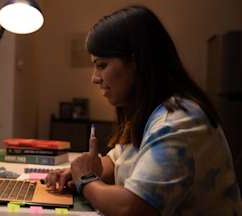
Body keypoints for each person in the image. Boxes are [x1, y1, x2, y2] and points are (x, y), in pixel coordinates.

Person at [45, 5, 242, 216]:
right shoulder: (149, 111)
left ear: (137, 62)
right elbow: (117, 160)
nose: (95, 78)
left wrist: (85, 180)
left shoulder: (178, 122)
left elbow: (132, 208)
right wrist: (80, 171)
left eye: (102, 65)